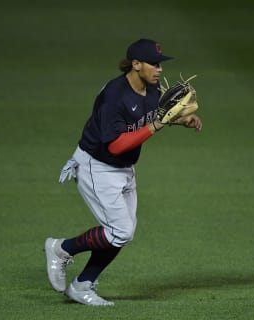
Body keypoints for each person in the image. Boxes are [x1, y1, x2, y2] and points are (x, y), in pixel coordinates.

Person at [44, 38, 202, 306]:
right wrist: (158, 125)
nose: (159, 69)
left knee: (120, 233)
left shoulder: (150, 89)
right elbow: (115, 146)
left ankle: (82, 285)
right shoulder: (114, 97)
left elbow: (155, 114)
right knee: (120, 231)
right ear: (136, 64)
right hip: (97, 166)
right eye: (154, 64)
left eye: (160, 63)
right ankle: (61, 249)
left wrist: (180, 119)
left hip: (124, 168)